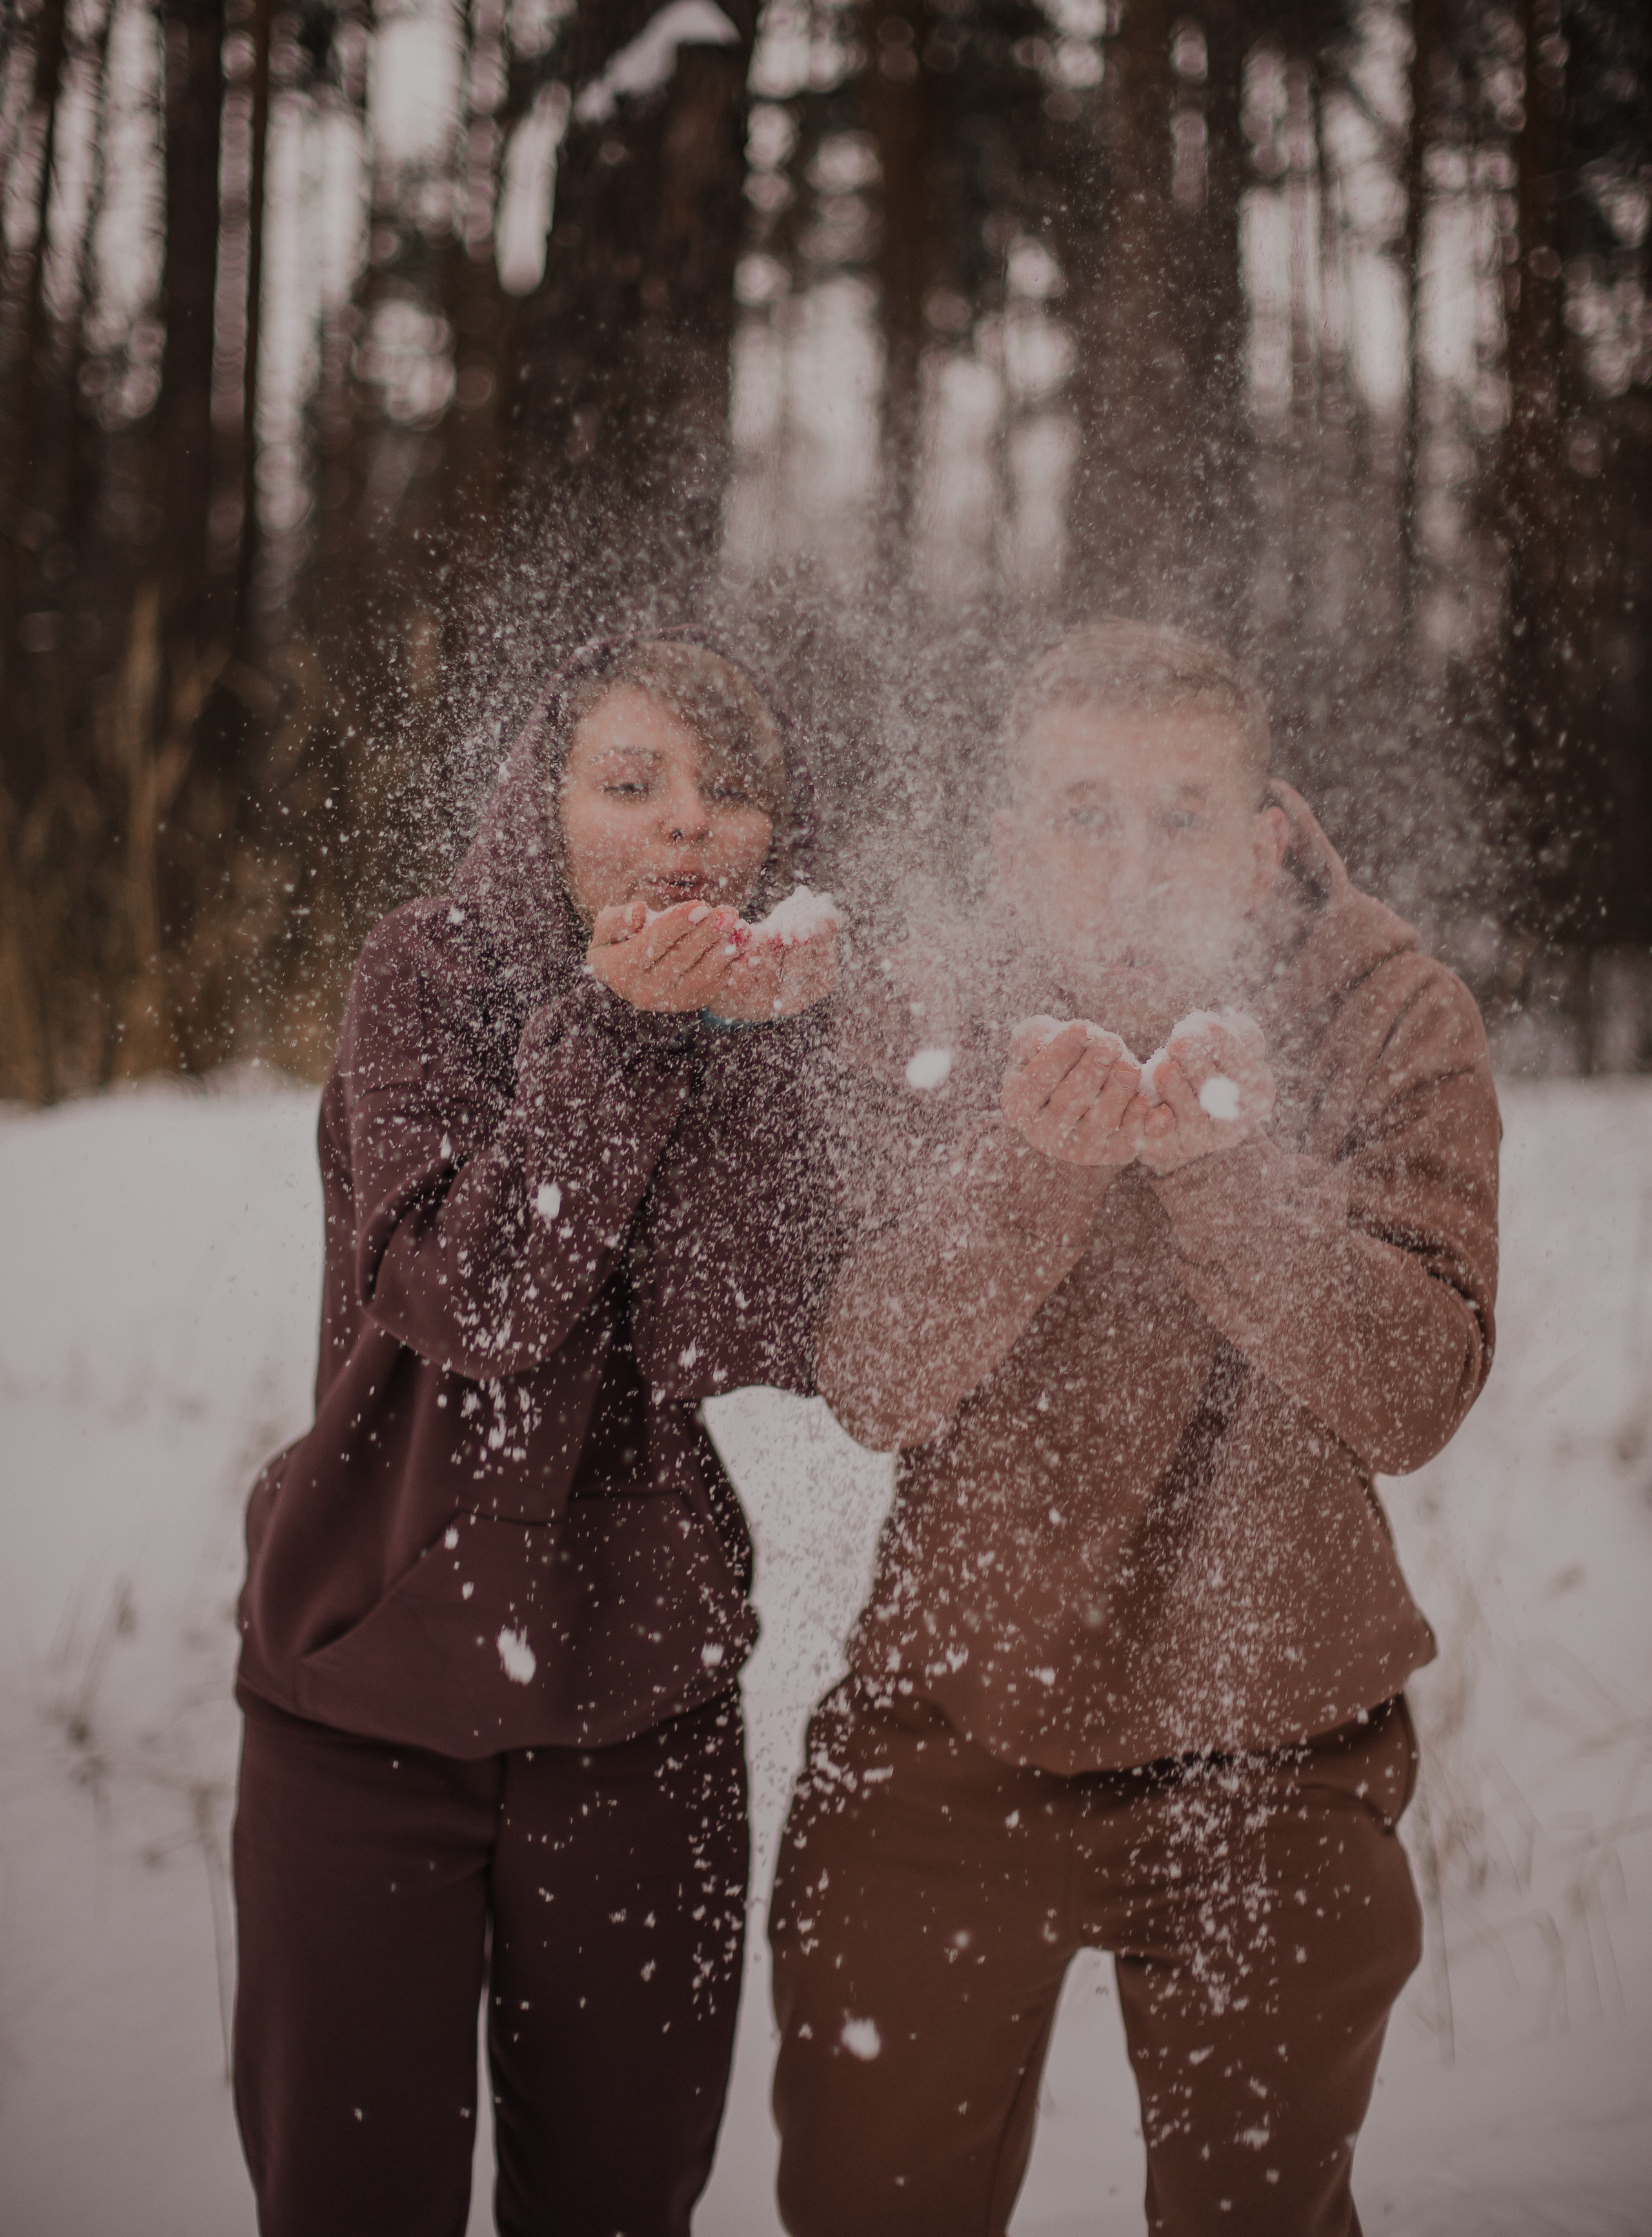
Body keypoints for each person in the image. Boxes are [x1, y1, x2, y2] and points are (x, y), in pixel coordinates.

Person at [769, 619, 1500, 2237]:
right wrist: (1035, 1174)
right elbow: (872, 1376)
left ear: (1258, 851)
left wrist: (1225, 1181)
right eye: (1084, 819)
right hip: (947, 1728)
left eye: (1179, 820)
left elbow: (1414, 1393)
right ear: (1015, 852)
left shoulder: (1391, 1012)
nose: (1132, 865)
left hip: (1278, 1746)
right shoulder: (934, 1008)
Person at [232, 632, 838, 2237]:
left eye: (728, 795)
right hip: (360, 1686)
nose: (683, 829)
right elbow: (469, 1299)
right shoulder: (422, 974)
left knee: (620, 2202)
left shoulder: (756, 1006)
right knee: (348, 2198)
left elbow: (737, 1328)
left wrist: (754, 1054)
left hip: (635, 1701)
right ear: (536, 804)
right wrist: (624, 1032)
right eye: (629, 785)